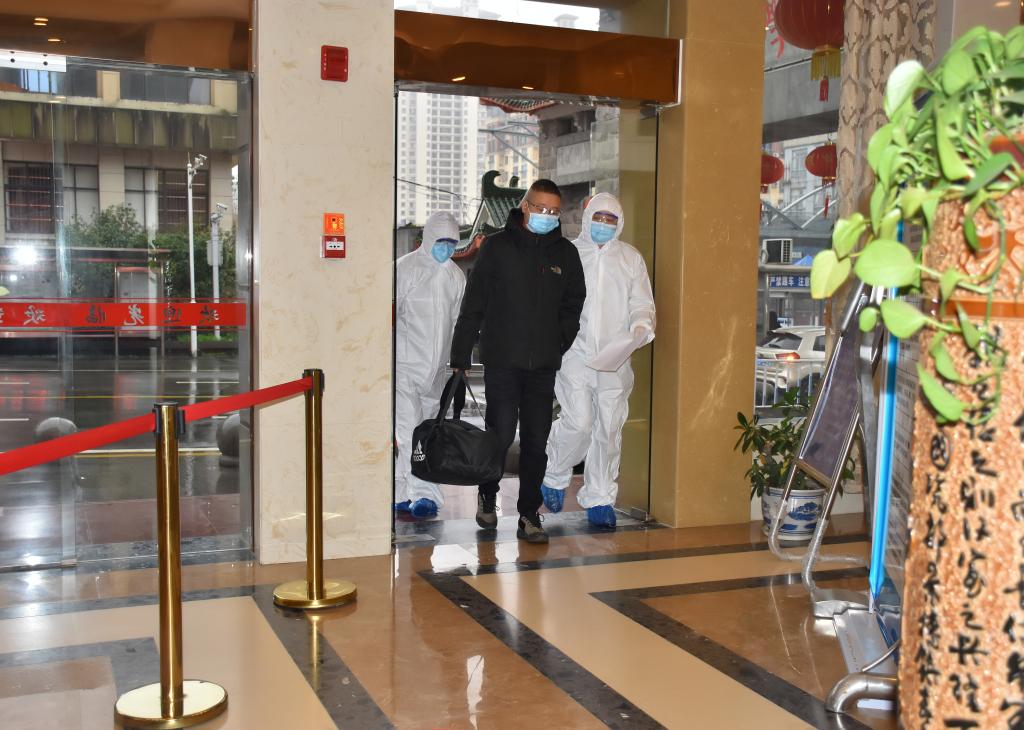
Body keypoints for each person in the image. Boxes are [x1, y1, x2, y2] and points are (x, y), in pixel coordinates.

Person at [450, 179, 586, 544]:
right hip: (502, 362)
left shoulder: (565, 254)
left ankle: (528, 514)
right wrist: (460, 354)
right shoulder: (497, 248)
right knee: (501, 434)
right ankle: (488, 492)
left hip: (543, 367)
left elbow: (574, 303)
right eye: (541, 209)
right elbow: (474, 303)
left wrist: (560, 341)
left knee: (536, 443)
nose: (548, 216)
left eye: (554, 211)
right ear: (525, 207)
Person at [541, 193, 655, 529]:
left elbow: (642, 302)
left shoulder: (630, 259)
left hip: (616, 358)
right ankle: (554, 473)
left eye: (611, 219)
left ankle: (600, 496)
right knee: (579, 422)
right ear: (587, 217)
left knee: (608, 428)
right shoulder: (568, 254)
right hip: (574, 354)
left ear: (620, 223)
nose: (604, 225)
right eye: (599, 218)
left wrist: (641, 326)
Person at [394, 212, 466, 519]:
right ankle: (423, 494)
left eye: (452, 242)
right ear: (429, 238)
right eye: (441, 241)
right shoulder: (404, 269)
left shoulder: (456, 277)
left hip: (436, 370)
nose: (446, 247)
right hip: (405, 365)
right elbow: (389, 315)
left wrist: (457, 362)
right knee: (409, 429)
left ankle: (402, 491)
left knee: (428, 432)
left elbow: (458, 323)